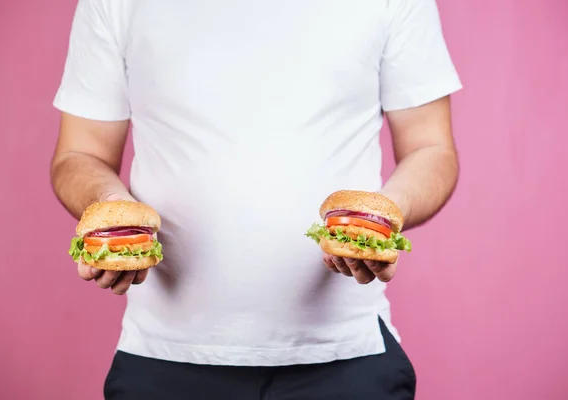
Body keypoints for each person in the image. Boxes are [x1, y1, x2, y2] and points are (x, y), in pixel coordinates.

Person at [50, 0, 461, 398]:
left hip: (347, 355)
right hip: (162, 357)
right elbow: (79, 153)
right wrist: (109, 209)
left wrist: (382, 218)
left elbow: (431, 148)